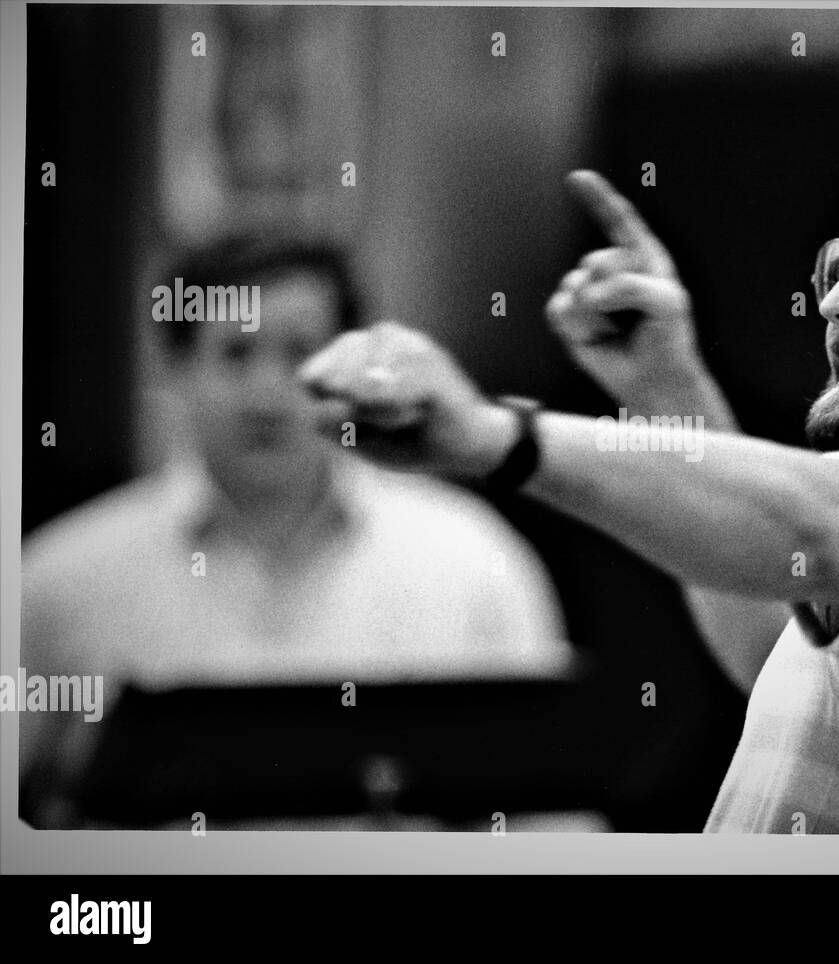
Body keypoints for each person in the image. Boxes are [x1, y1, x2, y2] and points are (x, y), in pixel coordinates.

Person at [299, 130, 839, 834]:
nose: (838, 305)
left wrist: (489, 436)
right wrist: (662, 388)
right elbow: (780, 651)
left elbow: (818, 534)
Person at [21, 234, 573, 828]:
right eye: (235, 353)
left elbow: (560, 812)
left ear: (354, 375)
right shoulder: (61, 578)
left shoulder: (471, 558)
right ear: (177, 370)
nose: (266, 394)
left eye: (300, 353)